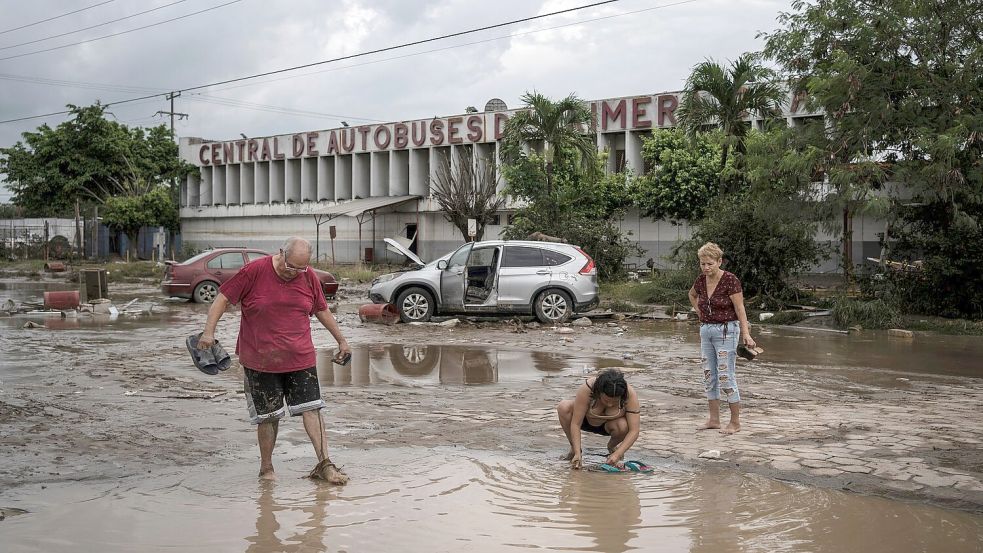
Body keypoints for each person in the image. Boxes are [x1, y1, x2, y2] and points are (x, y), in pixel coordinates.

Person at [198, 236, 352, 483]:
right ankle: (266, 468)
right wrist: (209, 332)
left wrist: (341, 340)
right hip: (261, 360)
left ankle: (325, 464)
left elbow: (321, 309)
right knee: (269, 417)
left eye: (301, 269)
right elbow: (223, 298)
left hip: (300, 357)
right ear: (281, 253)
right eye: (291, 267)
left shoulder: (307, 275)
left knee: (313, 409)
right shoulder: (254, 271)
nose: (295, 273)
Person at [687, 242, 756, 434]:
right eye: (702, 264)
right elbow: (692, 294)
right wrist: (699, 311)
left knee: (726, 376)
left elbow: (740, 308)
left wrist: (746, 334)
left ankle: (735, 422)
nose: (706, 268)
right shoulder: (701, 280)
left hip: (727, 330)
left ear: (719, 261)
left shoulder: (730, 280)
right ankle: (714, 420)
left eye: (710, 263)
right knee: (709, 375)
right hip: (706, 330)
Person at [557, 369, 641, 470]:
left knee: (623, 425)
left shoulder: (629, 394)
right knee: (564, 406)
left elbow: (634, 431)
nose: (609, 404)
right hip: (586, 421)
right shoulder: (588, 388)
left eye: (614, 402)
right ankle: (574, 449)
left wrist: (618, 454)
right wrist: (577, 453)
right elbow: (576, 424)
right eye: (606, 400)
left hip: (610, 426)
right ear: (599, 392)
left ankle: (612, 447)